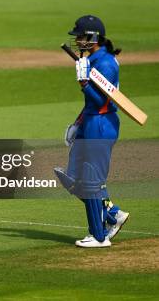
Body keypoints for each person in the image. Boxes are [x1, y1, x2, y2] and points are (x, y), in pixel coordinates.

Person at [55, 15, 129, 248]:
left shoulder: (106, 63)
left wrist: (84, 82)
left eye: (80, 36)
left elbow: (101, 103)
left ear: (92, 37)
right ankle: (112, 213)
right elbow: (90, 105)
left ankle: (98, 236)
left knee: (91, 181)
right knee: (73, 177)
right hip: (89, 121)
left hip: (101, 123)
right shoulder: (94, 59)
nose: (77, 40)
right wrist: (78, 122)